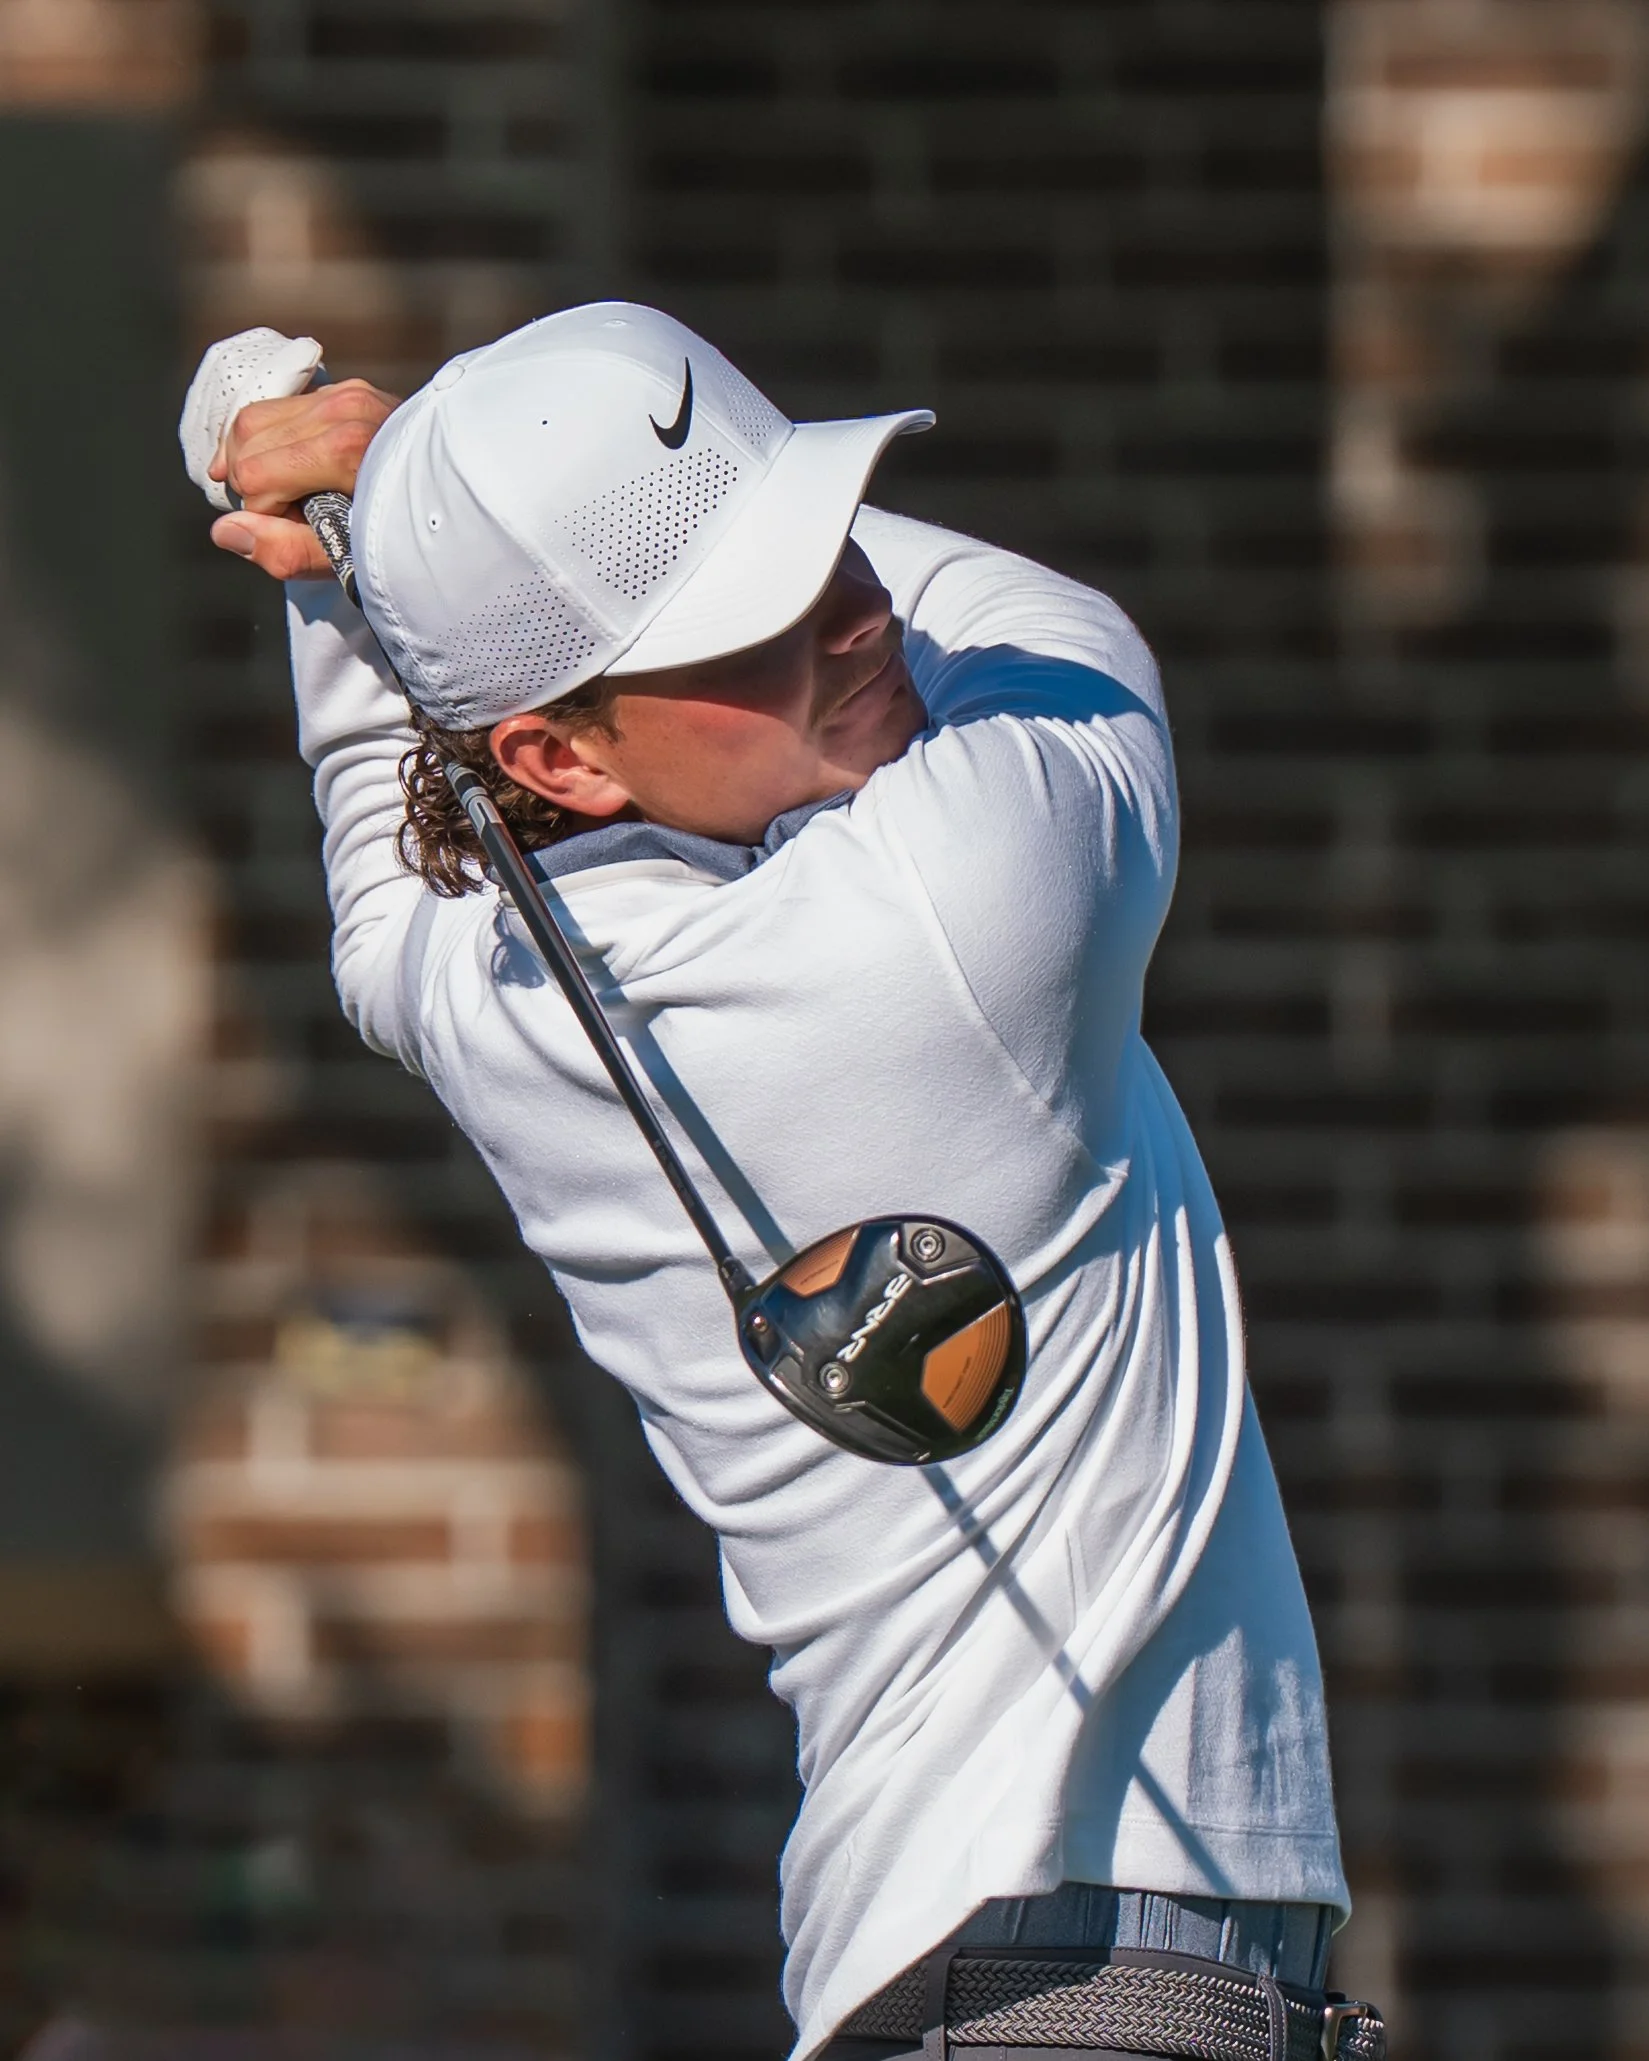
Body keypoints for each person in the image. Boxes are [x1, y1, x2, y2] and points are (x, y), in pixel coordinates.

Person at [182, 304, 1370, 2061]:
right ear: (556, 758)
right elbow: (1069, 634)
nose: (854, 612)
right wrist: (370, 489)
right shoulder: (966, 907)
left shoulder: (470, 989)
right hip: (1087, 1981)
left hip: (949, 1975)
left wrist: (372, 537)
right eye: (757, 620)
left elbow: (382, 810)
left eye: (822, 548)